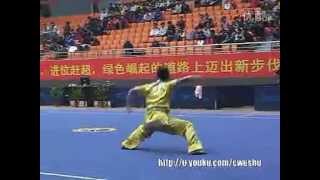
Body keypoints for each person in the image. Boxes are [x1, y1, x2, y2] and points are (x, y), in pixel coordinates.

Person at [122, 66, 205, 155]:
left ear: (157, 75)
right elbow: (183, 80)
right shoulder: (168, 85)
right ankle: (194, 147)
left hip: (149, 116)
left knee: (143, 129)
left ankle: (128, 143)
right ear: (168, 75)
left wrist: (128, 106)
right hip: (162, 116)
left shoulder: (148, 87)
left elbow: (131, 91)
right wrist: (196, 78)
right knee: (187, 125)